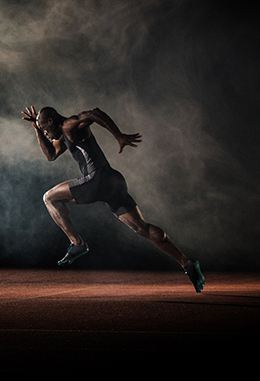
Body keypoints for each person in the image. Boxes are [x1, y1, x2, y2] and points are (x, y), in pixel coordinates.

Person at [22, 105, 205, 293]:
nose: (46, 134)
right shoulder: (62, 134)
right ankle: (187, 263)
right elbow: (51, 155)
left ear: (51, 121)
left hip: (97, 180)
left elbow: (94, 113)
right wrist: (36, 128)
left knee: (49, 198)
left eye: (45, 129)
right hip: (114, 181)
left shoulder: (69, 124)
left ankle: (77, 243)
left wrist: (118, 136)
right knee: (142, 228)